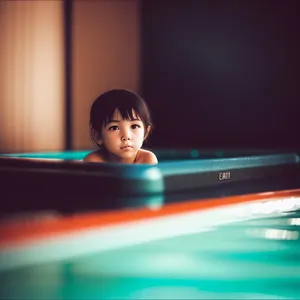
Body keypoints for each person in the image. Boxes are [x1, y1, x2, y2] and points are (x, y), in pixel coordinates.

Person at [83, 89, 158, 164]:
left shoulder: (147, 160)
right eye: (114, 128)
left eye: (134, 126)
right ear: (98, 136)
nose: (126, 136)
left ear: (145, 133)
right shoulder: (94, 161)